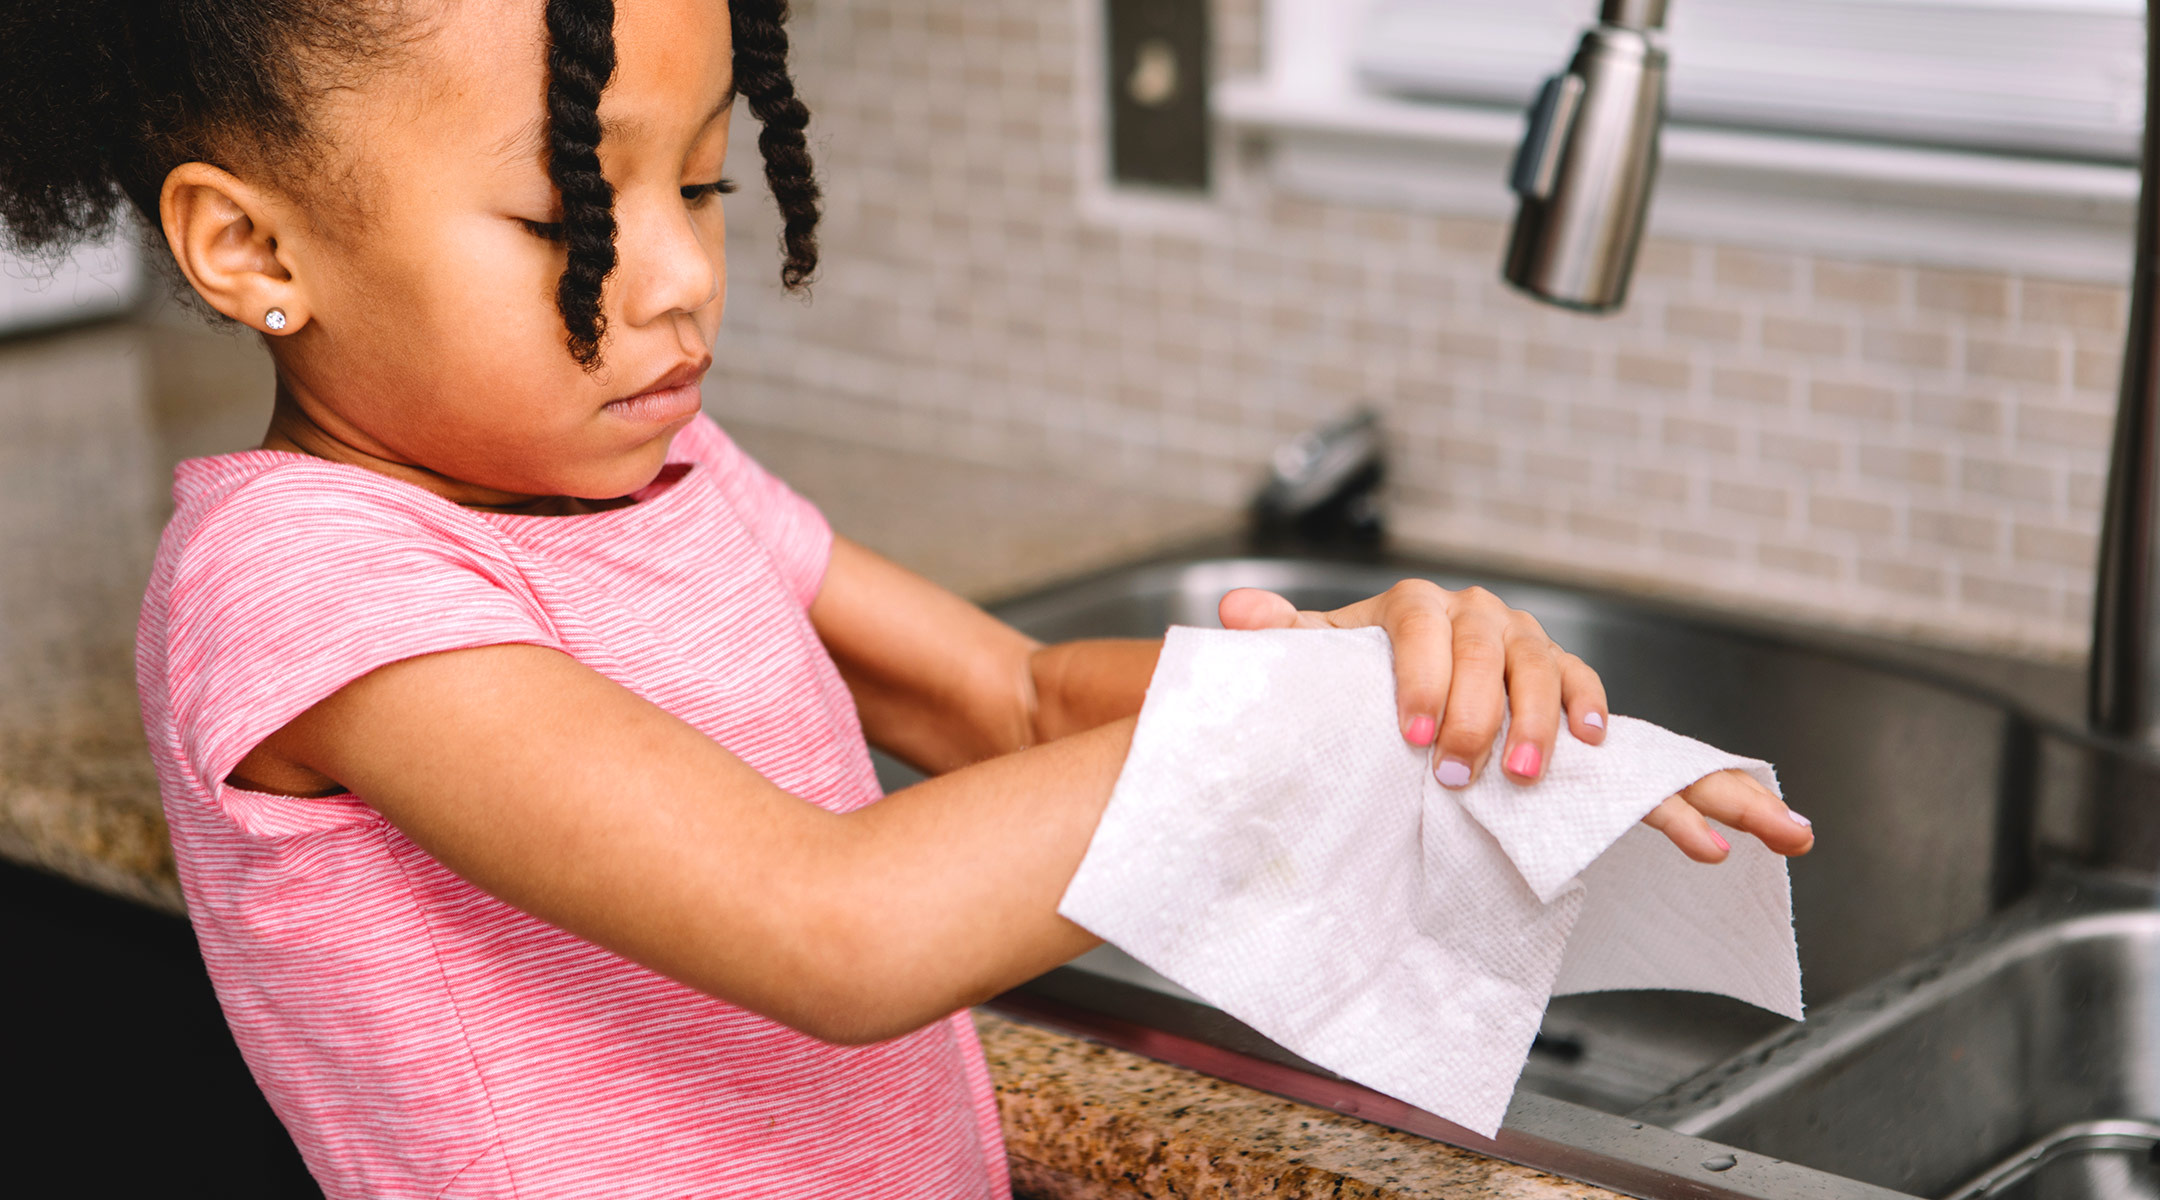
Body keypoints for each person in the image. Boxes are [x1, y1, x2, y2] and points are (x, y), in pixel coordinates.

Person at [0, 1, 1814, 1195]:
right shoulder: (303, 584)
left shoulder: (669, 477)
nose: (689, 277)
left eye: (706, 181)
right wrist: (1275, 727)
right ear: (252, 248)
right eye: (571, 215)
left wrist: (1415, 703)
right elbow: (832, 927)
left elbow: (1011, 710)